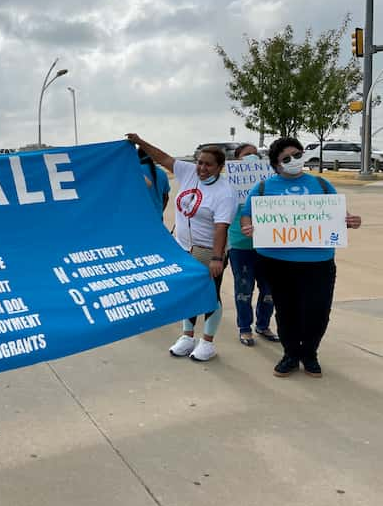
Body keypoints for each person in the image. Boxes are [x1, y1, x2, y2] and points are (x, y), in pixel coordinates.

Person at [239, 137, 362, 378]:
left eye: (297, 154)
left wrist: (350, 220)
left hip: (318, 263)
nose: (294, 161)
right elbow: (246, 214)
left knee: (318, 311)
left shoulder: (322, 184)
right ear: (276, 165)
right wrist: (248, 227)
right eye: (286, 159)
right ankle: (291, 354)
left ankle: (310, 353)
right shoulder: (263, 188)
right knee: (286, 310)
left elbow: (339, 215)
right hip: (277, 262)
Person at [127, 134, 237, 361]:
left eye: (208, 165)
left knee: (210, 295)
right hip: (183, 247)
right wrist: (140, 142)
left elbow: (221, 228)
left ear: (220, 167)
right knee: (187, 293)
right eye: (200, 162)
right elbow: (163, 157)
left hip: (208, 250)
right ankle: (187, 336)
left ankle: (207, 341)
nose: (202, 168)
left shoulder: (225, 193)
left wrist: (217, 258)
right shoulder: (188, 172)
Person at [227, 144, 278, 347]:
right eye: (247, 154)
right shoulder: (229, 185)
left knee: (269, 290)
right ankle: (245, 328)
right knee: (244, 288)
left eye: (256, 154)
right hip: (241, 245)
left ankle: (263, 325)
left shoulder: (270, 184)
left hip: (269, 245)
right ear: (237, 160)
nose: (253, 158)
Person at [137, 146, 170, 218]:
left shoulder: (135, 172)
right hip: (158, 218)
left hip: (140, 217)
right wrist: (160, 212)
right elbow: (166, 198)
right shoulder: (162, 173)